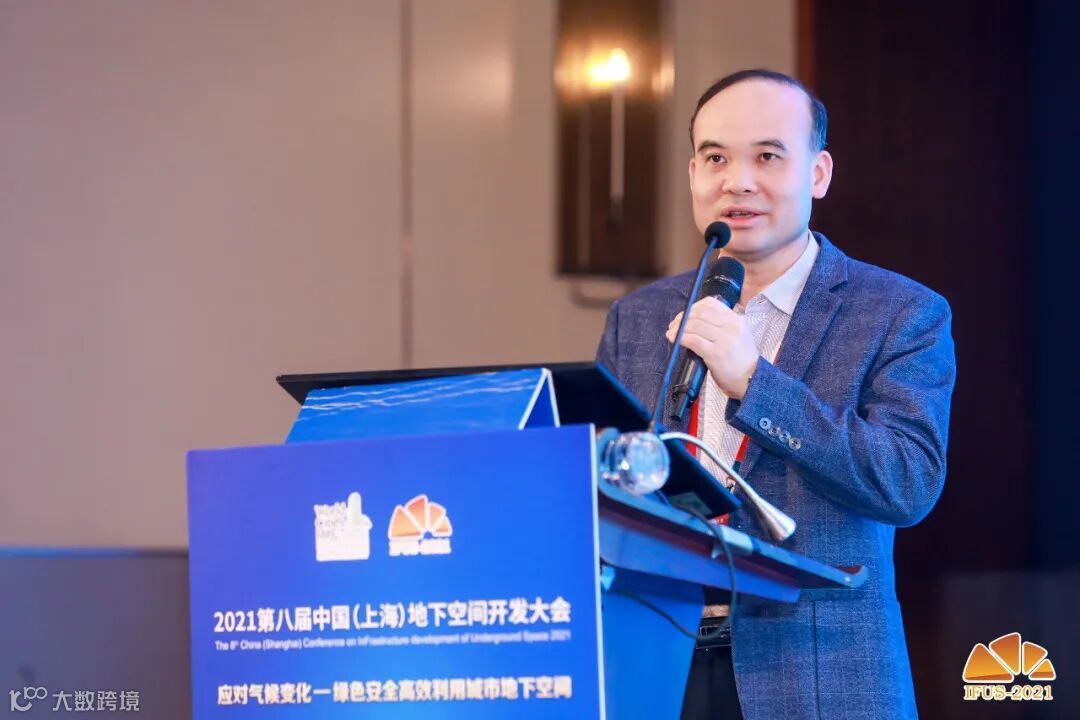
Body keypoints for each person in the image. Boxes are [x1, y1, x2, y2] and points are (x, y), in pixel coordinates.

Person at [596, 69, 956, 720]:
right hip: (654, 665)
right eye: (715, 159)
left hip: (815, 677)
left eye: (767, 156)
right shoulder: (639, 318)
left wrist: (754, 382)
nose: (737, 181)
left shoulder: (899, 313)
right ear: (692, 175)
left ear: (818, 174)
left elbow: (907, 482)